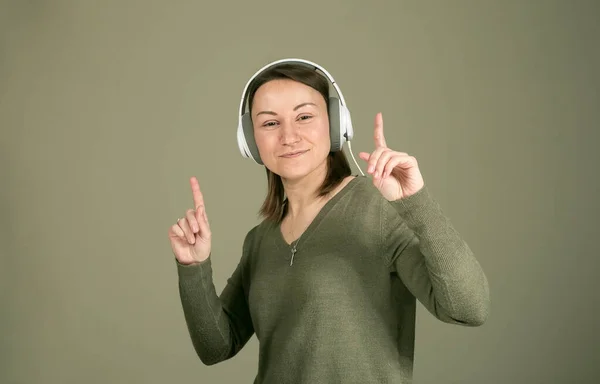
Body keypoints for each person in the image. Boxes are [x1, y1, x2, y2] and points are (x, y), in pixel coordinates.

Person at [167, 59, 490, 383]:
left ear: (336, 124)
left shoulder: (379, 209)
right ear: (250, 141)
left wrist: (416, 204)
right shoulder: (260, 239)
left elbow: (468, 308)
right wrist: (193, 267)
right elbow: (216, 347)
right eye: (269, 123)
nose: (288, 136)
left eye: (304, 116)